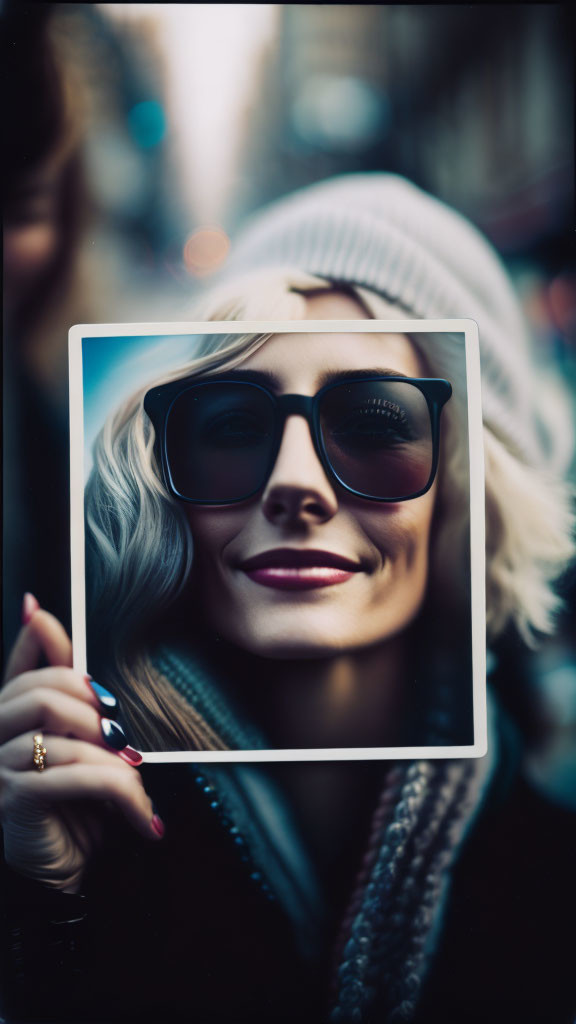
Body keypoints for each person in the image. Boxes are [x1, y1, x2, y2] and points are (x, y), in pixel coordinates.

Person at [1, 175, 575, 1024]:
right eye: (232, 424)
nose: (294, 485)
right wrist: (46, 905)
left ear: (464, 490)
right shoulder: (84, 843)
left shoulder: (556, 884)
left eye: (377, 424)